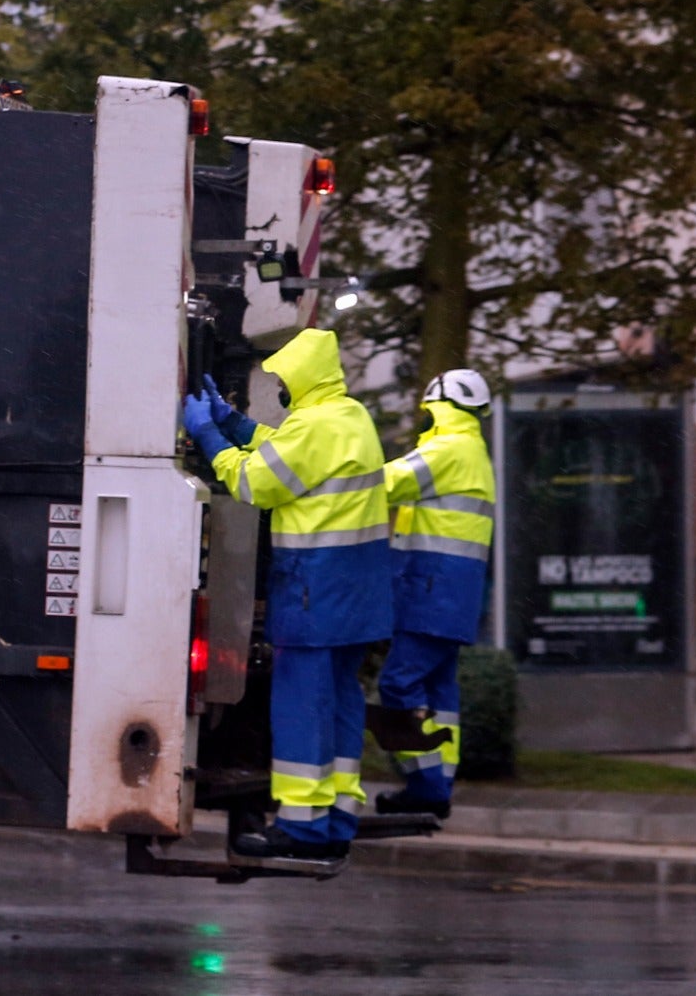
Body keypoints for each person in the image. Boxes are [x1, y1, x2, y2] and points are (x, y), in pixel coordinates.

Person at [184, 328, 393, 860]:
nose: (278, 387)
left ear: (301, 378)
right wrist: (234, 424)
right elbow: (290, 456)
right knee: (341, 707)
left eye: (281, 378)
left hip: (314, 593)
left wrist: (210, 438)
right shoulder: (350, 418)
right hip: (357, 597)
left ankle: (300, 828)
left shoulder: (313, 425)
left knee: (302, 707)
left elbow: (256, 482)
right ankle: (336, 821)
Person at [373, 368, 497, 820]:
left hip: (431, 591)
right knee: (440, 691)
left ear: (438, 403)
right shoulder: (474, 452)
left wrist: (331, 482)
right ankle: (439, 784)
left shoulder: (448, 449)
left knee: (398, 683)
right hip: (453, 595)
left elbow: (384, 483)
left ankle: (425, 785)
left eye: (429, 408)